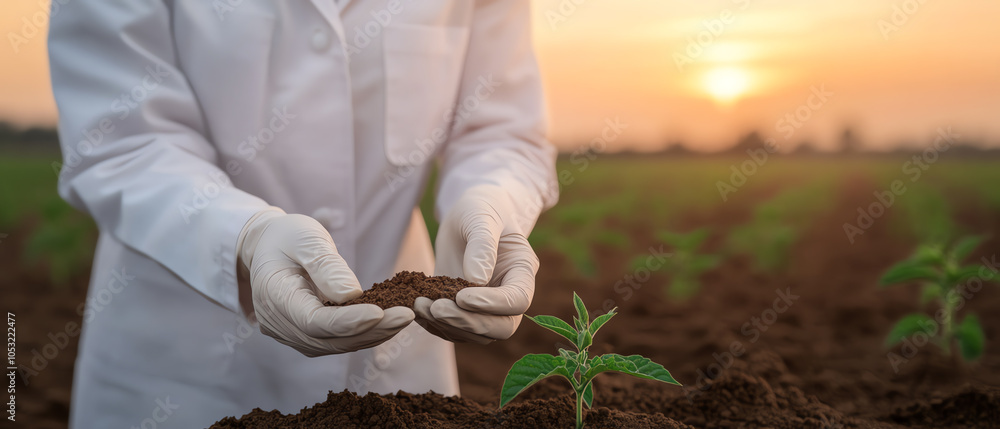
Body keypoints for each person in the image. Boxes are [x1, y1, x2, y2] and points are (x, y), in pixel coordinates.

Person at [47, 1, 557, 427]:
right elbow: (121, 143)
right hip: (184, 376)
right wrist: (246, 237)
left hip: (397, 371)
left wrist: (491, 202)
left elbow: (500, 127)